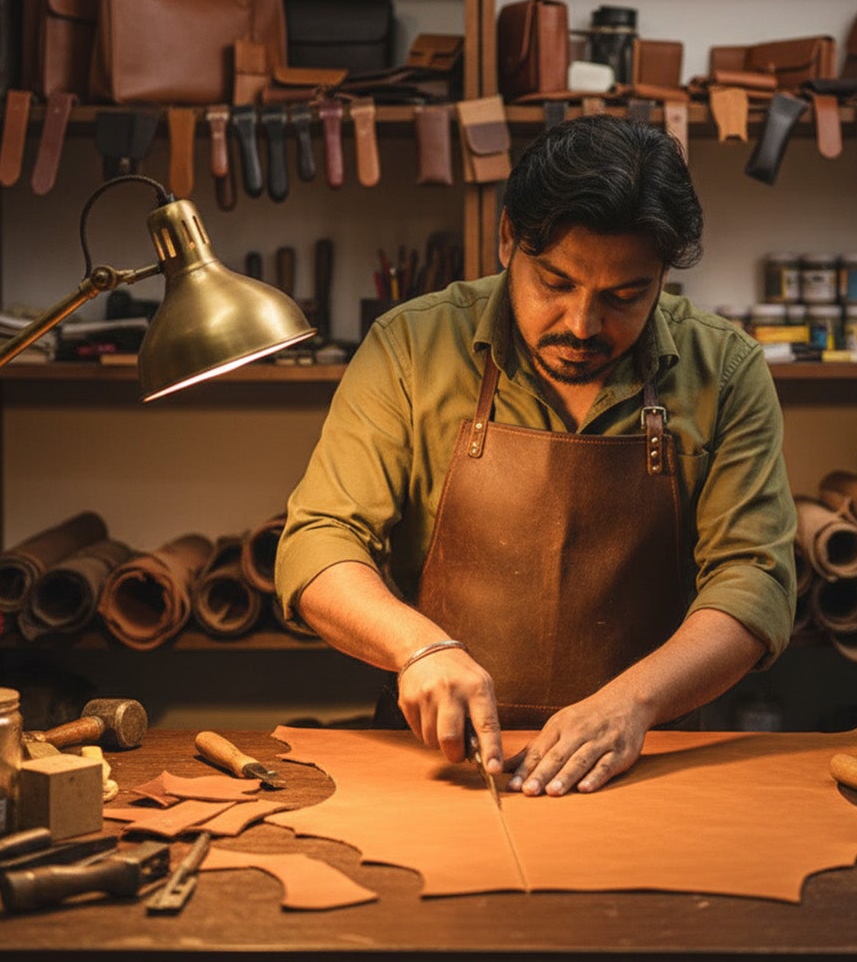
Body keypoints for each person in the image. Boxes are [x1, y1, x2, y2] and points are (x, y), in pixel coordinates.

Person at [276, 115, 796, 798]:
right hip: (441, 764)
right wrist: (419, 648)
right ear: (506, 240)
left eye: (623, 297)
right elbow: (318, 543)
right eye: (555, 283)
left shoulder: (725, 369)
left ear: (662, 276)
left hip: (645, 761)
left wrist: (633, 704)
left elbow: (754, 580)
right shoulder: (410, 347)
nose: (582, 325)